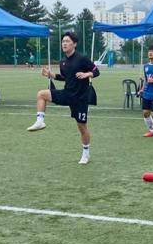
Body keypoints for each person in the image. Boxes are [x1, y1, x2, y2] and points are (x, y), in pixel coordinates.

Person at [26, 32, 100, 164]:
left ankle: (86, 153)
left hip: (80, 98)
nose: (64, 43)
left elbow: (96, 71)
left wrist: (87, 74)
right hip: (67, 94)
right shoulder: (63, 61)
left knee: (82, 127)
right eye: (63, 41)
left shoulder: (82, 58)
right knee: (41, 94)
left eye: (67, 41)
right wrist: (51, 74)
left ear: (74, 44)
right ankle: (40, 121)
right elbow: (65, 77)